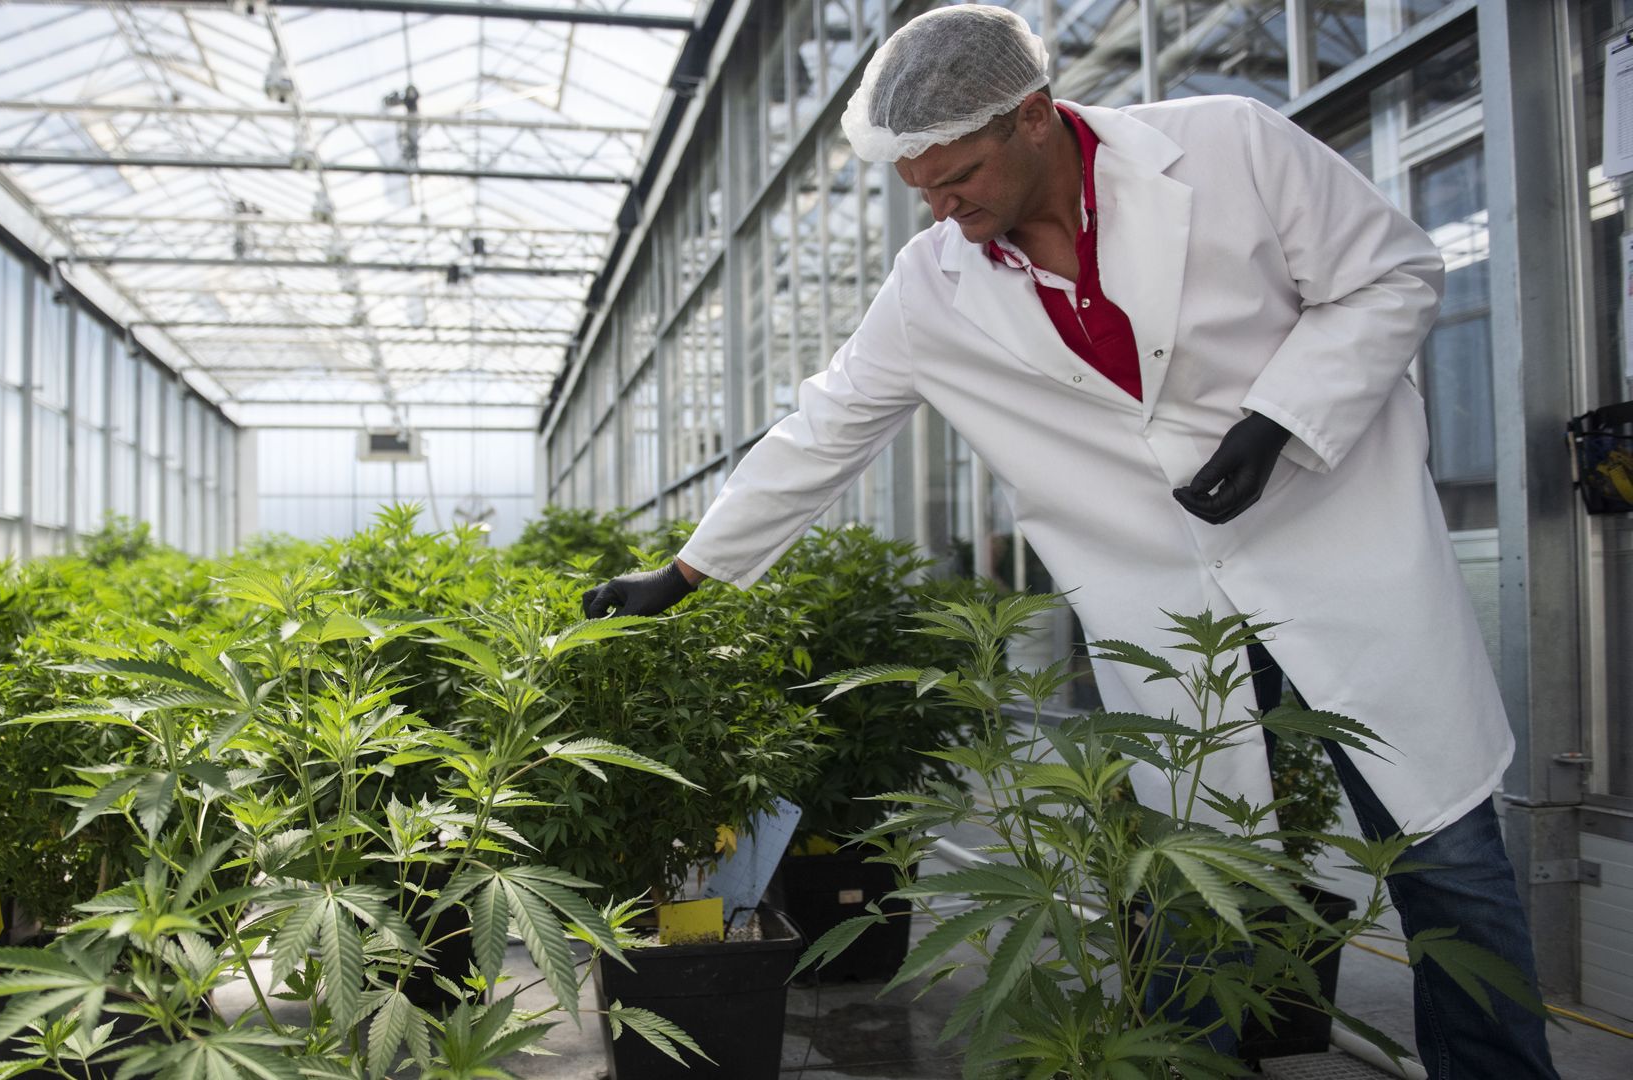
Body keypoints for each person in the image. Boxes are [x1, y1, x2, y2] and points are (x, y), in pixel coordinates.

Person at [578, 6, 1557, 1077]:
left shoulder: (1230, 145)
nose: (945, 213)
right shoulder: (933, 284)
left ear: (1035, 116)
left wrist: (1285, 417)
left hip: (1340, 548)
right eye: (924, 192)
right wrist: (681, 576)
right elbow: (824, 428)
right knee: (1193, 873)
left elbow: (1395, 274)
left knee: (1445, 858)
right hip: (1165, 605)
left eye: (959, 180)